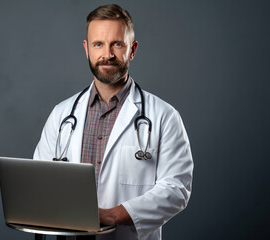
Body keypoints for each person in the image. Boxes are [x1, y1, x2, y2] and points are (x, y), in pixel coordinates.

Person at [33, 4, 193, 240]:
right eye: (98, 44)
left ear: (132, 49)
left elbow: (176, 189)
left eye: (116, 44)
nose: (107, 54)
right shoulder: (62, 114)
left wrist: (114, 215)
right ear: (86, 49)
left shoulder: (164, 116)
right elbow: (39, 180)